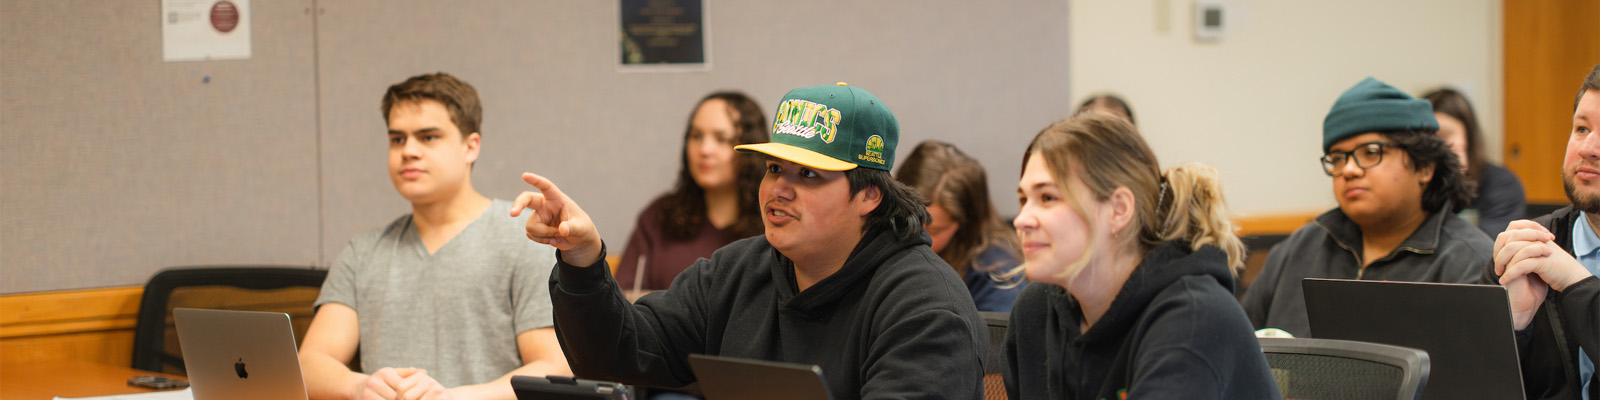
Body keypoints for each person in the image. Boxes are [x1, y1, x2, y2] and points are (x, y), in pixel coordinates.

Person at [513, 83, 988, 400]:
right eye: (775, 169)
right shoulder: (739, 270)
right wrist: (582, 258)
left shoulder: (926, 307)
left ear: (868, 194)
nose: (779, 188)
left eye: (809, 175)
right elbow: (617, 355)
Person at [299, 73, 570, 400]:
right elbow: (310, 364)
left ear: (470, 147)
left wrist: (450, 398)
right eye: (397, 139)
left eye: (428, 137)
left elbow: (553, 367)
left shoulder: (524, 237)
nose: (408, 151)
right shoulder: (363, 252)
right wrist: (359, 386)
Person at [1004, 113, 1279, 399]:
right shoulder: (1035, 310)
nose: (1022, 219)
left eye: (1047, 198)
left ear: (1119, 210)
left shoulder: (1196, 318)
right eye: (1023, 200)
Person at [1241, 77, 1490, 337]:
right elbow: (1240, 348)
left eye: (1371, 152)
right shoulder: (1297, 250)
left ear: (1425, 166)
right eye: (1337, 158)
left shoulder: (1468, 264)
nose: (1348, 170)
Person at [1488, 63, 1600, 400]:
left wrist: (1575, 284)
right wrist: (1514, 327)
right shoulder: (1527, 245)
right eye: (1581, 129)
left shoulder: (1559, 268)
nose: (1588, 148)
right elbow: (1467, 379)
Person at [615, 92, 767, 298]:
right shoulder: (660, 215)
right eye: (696, 136)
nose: (704, 149)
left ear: (750, 149)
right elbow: (622, 301)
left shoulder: (772, 221)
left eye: (721, 138)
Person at [895, 140, 1026, 312]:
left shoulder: (998, 278)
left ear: (965, 226)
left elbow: (995, 338)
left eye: (934, 230)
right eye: (909, 221)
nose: (917, 236)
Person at [1423, 87, 1527, 235]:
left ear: (1468, 137)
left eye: (1444, 136)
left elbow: (1487, 251)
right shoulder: (1414, 185)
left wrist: (1454, 180)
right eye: (1428, 137)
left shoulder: (1502, 184)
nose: (1436, 145)